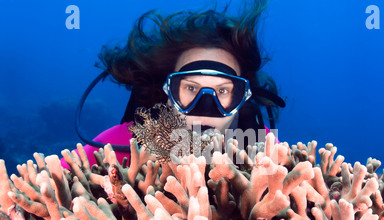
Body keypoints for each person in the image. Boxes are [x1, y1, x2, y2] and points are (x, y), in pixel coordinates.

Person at [72, 0, 285, 167]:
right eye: (191, 88)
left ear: (241, 97)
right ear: (167, 91)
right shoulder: (117, 144)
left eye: (222, 91)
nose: (205, 109)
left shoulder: (263, 146)